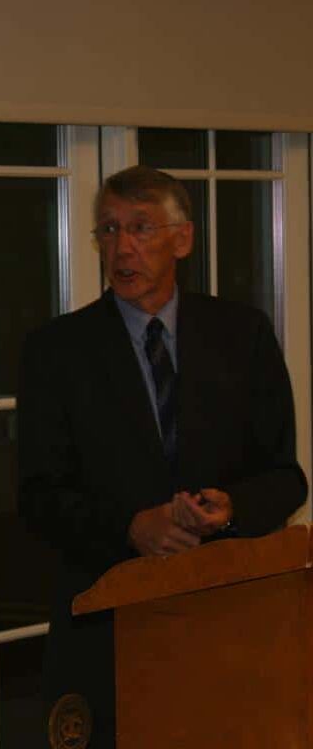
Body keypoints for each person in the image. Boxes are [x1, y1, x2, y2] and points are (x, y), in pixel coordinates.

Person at [17, 165, 307, 748]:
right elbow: (39, 496)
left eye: (141, 228)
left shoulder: (242, 334)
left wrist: (231, 510)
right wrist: (131, 528)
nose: (122, 247)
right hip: (107, 628)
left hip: (230, 618)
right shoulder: (57, 351)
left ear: (182, 239)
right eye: (108, 230)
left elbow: (285, 476)